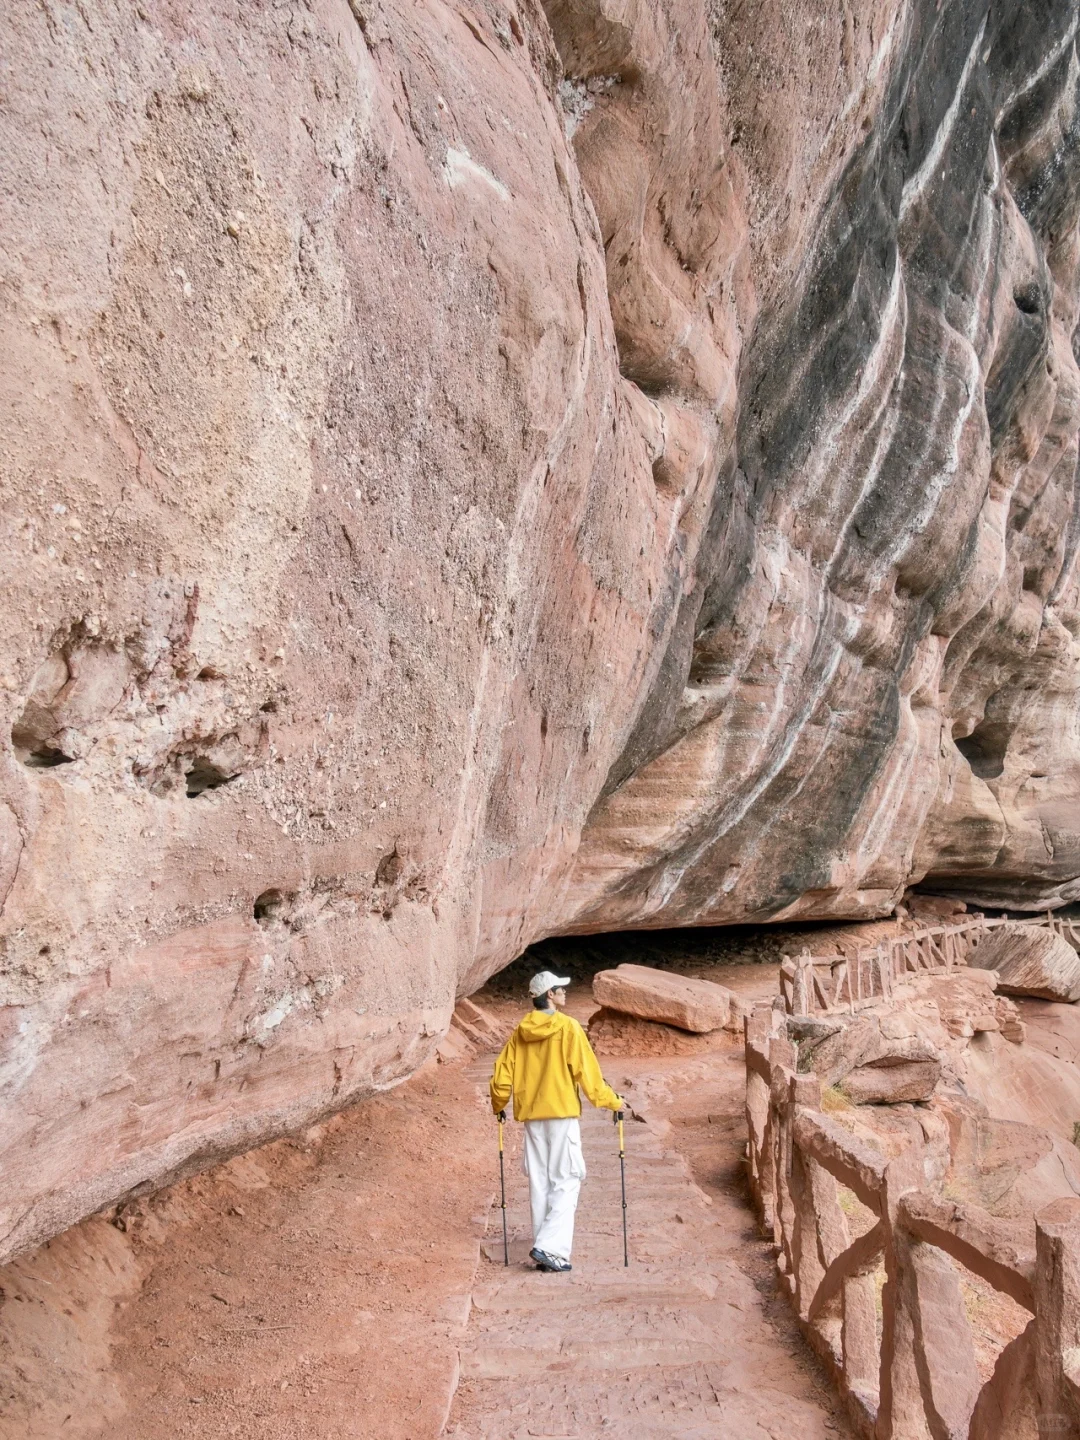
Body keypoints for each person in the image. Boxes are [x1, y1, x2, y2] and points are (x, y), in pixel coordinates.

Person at [489, 969, 625, 1273]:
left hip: (533, 1120)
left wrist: (499, 1106)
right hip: (561, 1116)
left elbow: (500, 1079)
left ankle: (544, 1249)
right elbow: (588, 1075)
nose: (565, 991)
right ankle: (550, 1248)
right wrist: (613, 1101)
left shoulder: (519, 1033)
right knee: (567, 1179)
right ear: (548, 994)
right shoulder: (568, 1028)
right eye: (559, 989)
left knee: (540, 1182)